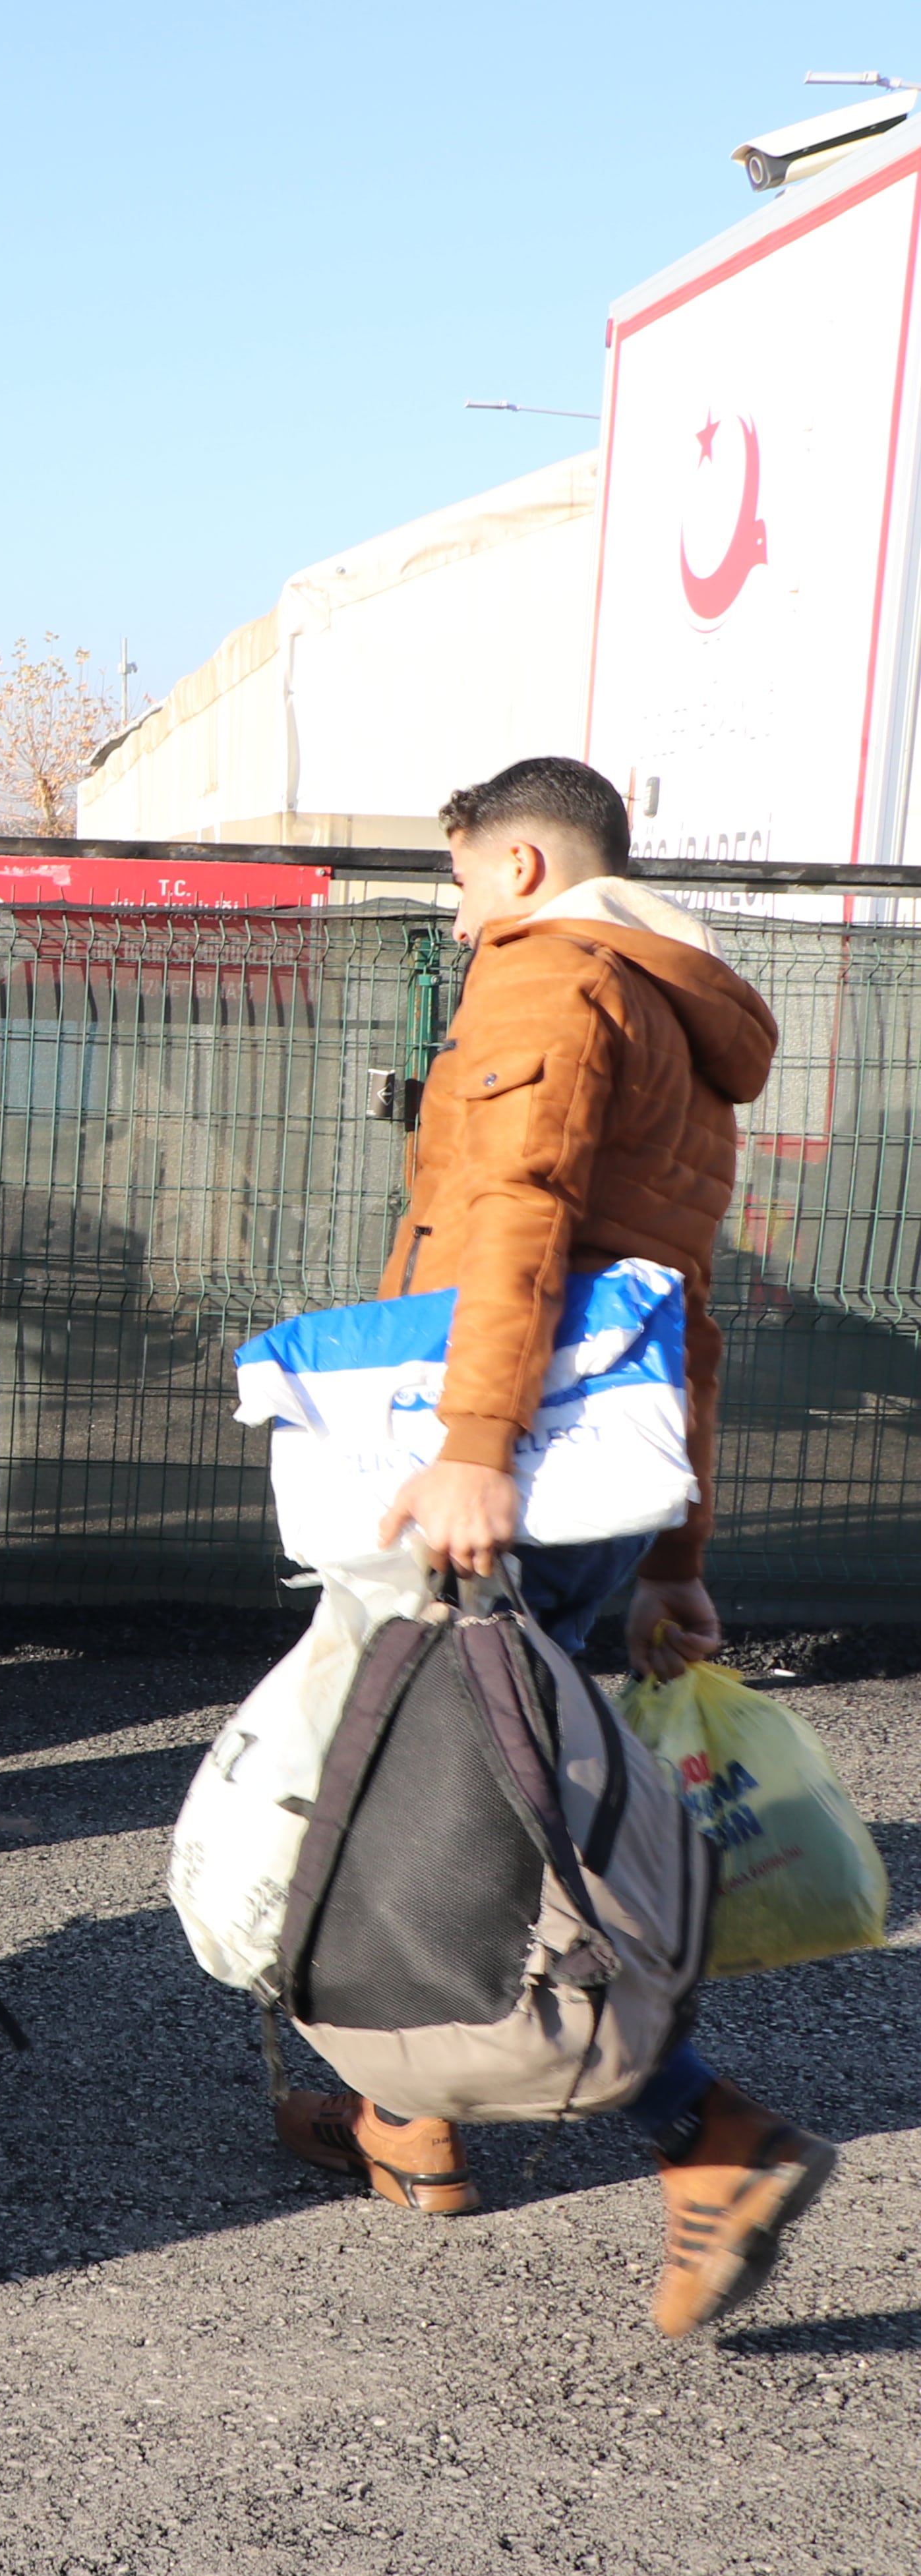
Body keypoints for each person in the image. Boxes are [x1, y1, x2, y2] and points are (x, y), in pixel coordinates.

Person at [293, 753, 831, 2337]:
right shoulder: (675, 1012)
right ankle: (407, 2124)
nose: (455, 920)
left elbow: (515, 1216)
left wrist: (466, 1455)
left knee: (413, 1790)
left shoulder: (548, 977)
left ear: (521, 867)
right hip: (596, 1474)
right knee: (467, 1791)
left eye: (458, 881)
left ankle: (705, 2134)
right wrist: (674, 1552)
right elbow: (681, 1313)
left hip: (495, 1464)